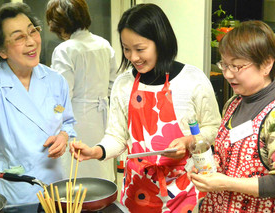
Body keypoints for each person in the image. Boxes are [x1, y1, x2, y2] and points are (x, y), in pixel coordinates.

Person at [70, 3, 221, 212]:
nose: (133, 57)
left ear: (161, 41)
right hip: (138, 190)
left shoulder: (192, 80)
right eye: (126, 49)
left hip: (184, 191)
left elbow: (213, 128)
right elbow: (117, 136)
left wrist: (189, 141)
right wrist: (96, 151)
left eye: (140, 49)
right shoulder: (123, 84)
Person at [0, 2, 76, 205]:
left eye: (33, 31)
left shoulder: (56, 81)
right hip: (13, 191)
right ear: (2, 50)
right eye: (19, 37)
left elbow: (68, 123)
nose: (31, 42)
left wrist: (64, 136)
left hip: (55, 187)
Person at [188, 20, 275, 212]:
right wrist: (208, 167)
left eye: (236, 66)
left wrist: (226, 183)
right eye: (224, 65)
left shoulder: (273, 113)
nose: (227, 74)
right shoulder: (234, 103)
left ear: (267, 64)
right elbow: (225, 151)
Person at [46, 0, 117, 181]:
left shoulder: (64, 50)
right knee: (100, 170)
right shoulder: (104, 44)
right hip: (102, 117)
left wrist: (52, 118)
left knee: (75, 173)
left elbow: (62, 97)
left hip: (75, 118)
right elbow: (114, 84)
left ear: (59, 24)